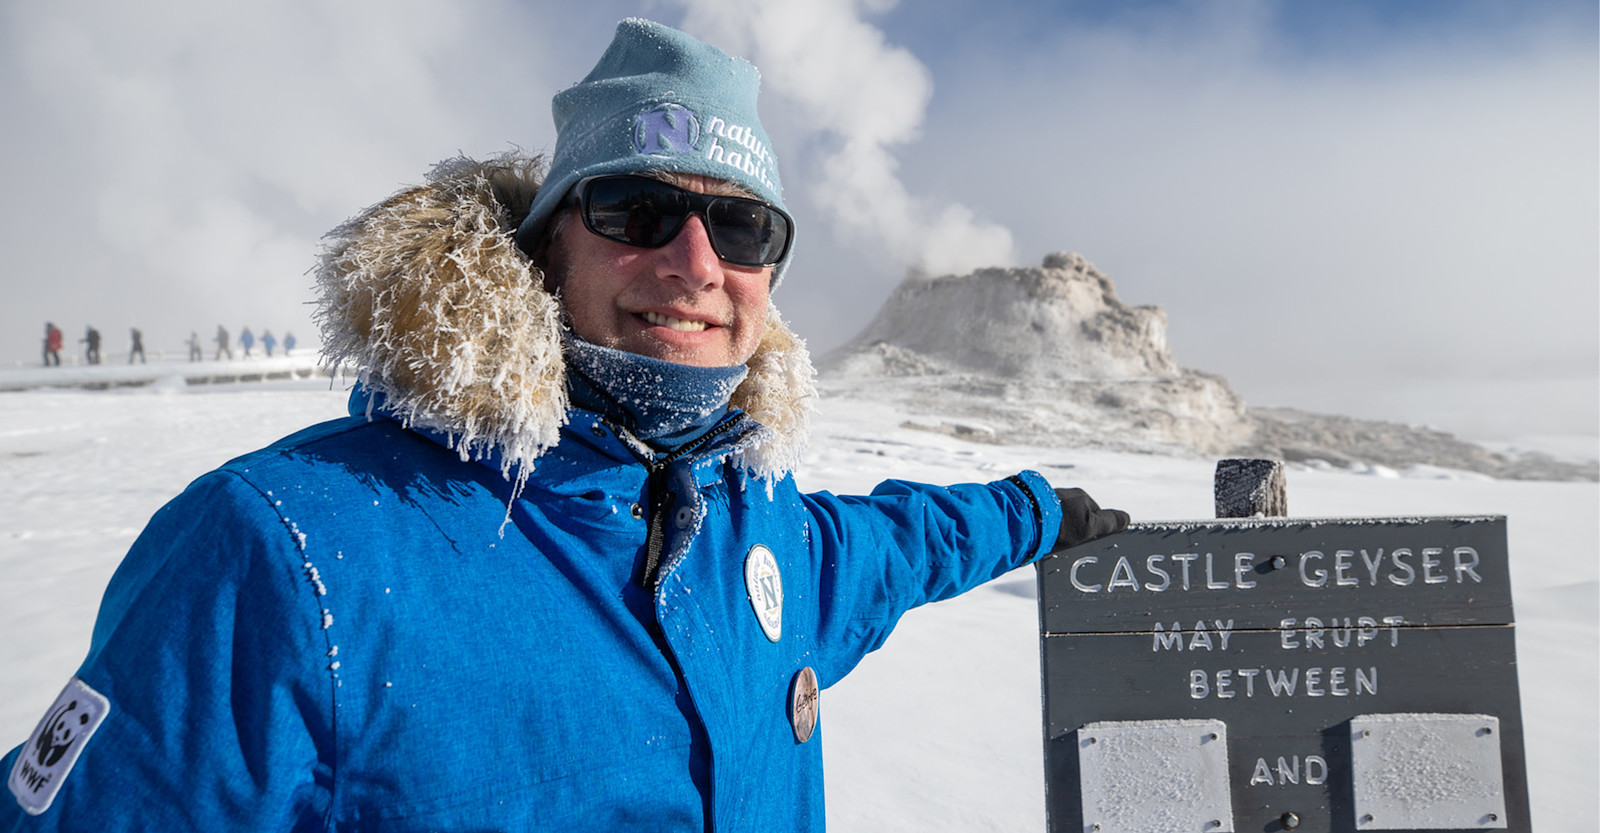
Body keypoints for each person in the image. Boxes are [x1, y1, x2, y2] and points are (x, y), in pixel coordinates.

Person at [0, 19, 1126, 831]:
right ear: (546, 248)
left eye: (739, 227)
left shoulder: (758, 533)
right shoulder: (283, 558)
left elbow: (890, 545)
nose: (695, 264)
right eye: (637, 210)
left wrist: (1040, 510)